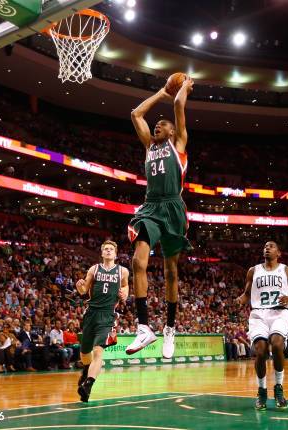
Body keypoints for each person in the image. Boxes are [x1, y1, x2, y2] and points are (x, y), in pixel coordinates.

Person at [126, 76, 194, 359]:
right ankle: (144, 327)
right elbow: (135, 114)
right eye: (157, 124)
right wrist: (161, 92)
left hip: (173, 207)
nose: (158, 125)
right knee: (137, 262)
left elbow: (179, 105)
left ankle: (169, 327)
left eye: (163, 124)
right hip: (151, 207)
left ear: (173, 130)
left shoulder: (178, 143)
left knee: (170, 272)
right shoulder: (149, 146)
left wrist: (184, 86)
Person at [237, 241, 288, 410]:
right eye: (265, 246)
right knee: (260, 350)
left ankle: (279, 388)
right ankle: (262, 390)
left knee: (277, 344)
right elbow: (247, 294)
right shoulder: (253, 271)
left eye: (271, 246)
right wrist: (240, 300)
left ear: (278, 253)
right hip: (258, 314)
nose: (267, 248)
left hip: (279, 313)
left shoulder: (286, 270)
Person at [75, 240, 129, 402]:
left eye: (111, 249)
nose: (108, 251)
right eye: (105, 248)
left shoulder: (122, 271)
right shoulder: (94, 269)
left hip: (107, 315)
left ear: (115, 253)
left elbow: (126, 287)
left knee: (98, 351)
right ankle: (86, 371)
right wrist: (80, 287)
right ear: (101, 252)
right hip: (91, 313)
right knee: (85, 353)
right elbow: (84, 290)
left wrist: (125, 293)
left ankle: (88, 386)